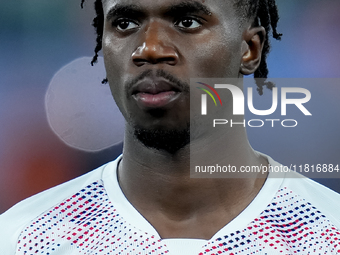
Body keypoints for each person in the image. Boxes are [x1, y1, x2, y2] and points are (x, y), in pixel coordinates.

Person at [1, 0, 340, 254]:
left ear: (249, 49)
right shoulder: (25, 238)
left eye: (187, 21)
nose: (149, 49)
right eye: (125, 23)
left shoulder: (328, 233)